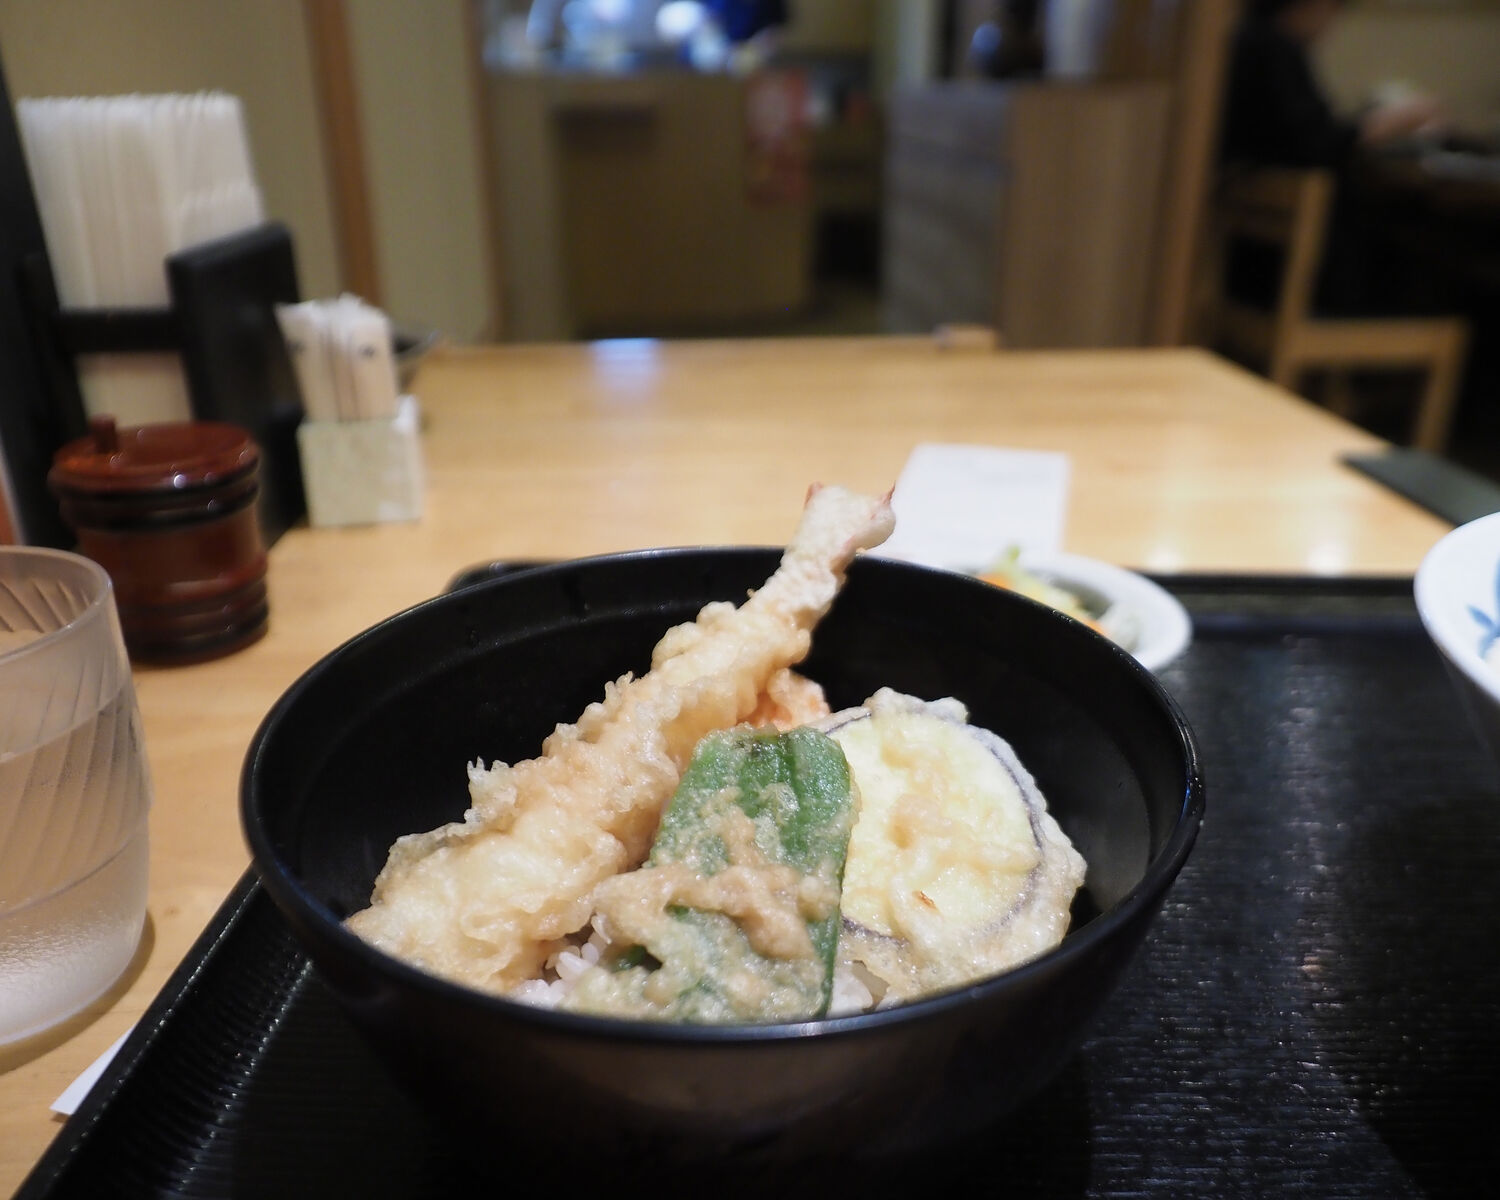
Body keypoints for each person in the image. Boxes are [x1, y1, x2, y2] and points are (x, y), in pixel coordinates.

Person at [1219, 0, 1447, 315]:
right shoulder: (1274, 47)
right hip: (1294, 276)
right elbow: (1316, 142)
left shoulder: (1248, 39)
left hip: (1248, 267)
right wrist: (1388, 122)